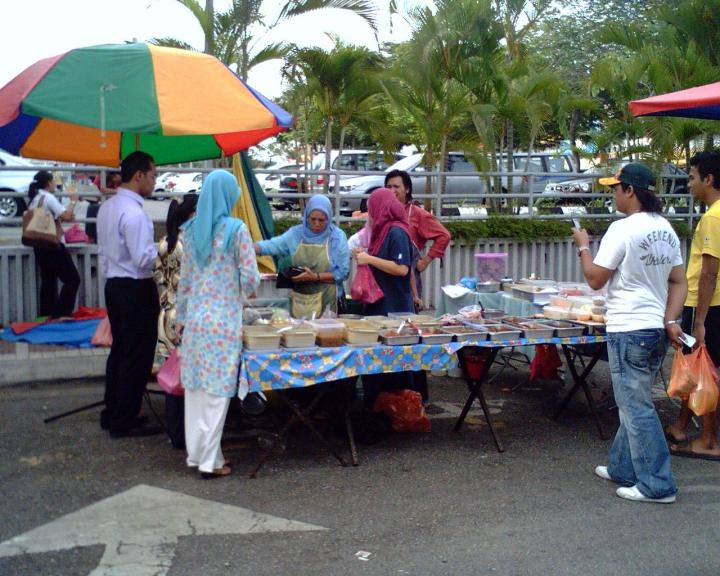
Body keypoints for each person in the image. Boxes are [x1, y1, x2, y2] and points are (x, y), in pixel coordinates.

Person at [573, 162, 686, 504]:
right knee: (633, 402)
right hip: (652, 328)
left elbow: (595, 279)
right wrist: (669, 320)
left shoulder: (622, 229)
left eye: (615, 188)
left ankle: (657, 484)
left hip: (629, 328)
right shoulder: (665, 227)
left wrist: (582, 246)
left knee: (635, 406)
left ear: (630, 190)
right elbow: (678, 281)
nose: (613, 195)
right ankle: (623, 467)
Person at [176, 170, 260, 479]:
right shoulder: (236, 230)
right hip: (223, 322)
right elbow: (251, 279)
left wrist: (181, 320)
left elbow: (184, 284)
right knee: (217, 394)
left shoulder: (191, 230)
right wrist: (240, 289)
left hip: (196, 322)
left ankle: (201, 456)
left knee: (197, 392)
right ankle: (209, 464)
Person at [97, 151, 161, 438]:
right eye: (153, 175)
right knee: (137, 353)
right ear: (139, 176)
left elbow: (102, 254)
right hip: (135, 286)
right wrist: (166, 250)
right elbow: (144, 259)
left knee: (121, 350)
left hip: (114, 284)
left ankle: (113, 410)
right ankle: (125, 417)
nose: (154, 181)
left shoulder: (107, 207)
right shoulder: (134, 214)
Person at [664, 151, 720, 460]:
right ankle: (682, 425)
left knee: (704, 371)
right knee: (697, 365)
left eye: (692, 177)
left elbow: (710, 271)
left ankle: (709, 440)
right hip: (711, 304)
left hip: (708, 305)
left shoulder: (713, 217)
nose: (688, 184)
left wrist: (699, 320)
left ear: (709, 179)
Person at [353, 187, 415, 406]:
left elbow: (402, 269)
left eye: (371, 209)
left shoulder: (396, 231)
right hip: (379, 306)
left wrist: (369, 259)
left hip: (394, 308)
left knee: (393, 365)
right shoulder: (381, 231)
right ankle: (380, 409)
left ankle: (397, 411)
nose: (369, 214)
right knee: (379, 363)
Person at [255, 194, 349, 318]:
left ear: (329, 218)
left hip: (328, 301)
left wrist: (315, 277)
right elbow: (273, 245)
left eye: (321, 220)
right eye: (312, 219)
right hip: (300, 300)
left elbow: (343, 272)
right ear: (306, 216)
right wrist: (252, 247)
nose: (316, 224)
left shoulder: (336, 237)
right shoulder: (296, 234)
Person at [384, 169, 451, 311]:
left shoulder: (416, 213)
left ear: (407, 189)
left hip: (408, 278)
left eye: (396, 187)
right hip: (384, 273)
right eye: (388, 187)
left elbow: (444, 235)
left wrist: (425, 261)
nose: (391, 190)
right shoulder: (382, 212)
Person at [27, 170, 81, 318]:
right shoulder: (48, 197)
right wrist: (73, 201)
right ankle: (61, 314)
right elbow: (67, 216)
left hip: (39, 245)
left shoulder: (34, 198)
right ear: (49, 183)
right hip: (53, 245)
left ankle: (46, 315)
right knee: (73, 279)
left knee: (48, 281)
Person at [86, 171, 121, 243]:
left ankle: (94, 238)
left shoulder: (121, 176)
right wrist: (85, 196)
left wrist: (110, 191)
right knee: (92, 207)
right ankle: (91, 237)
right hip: (105, 203)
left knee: (97, 209)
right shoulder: (100, 177)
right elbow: (95, 192)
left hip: (118, 203)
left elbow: (126, 191)